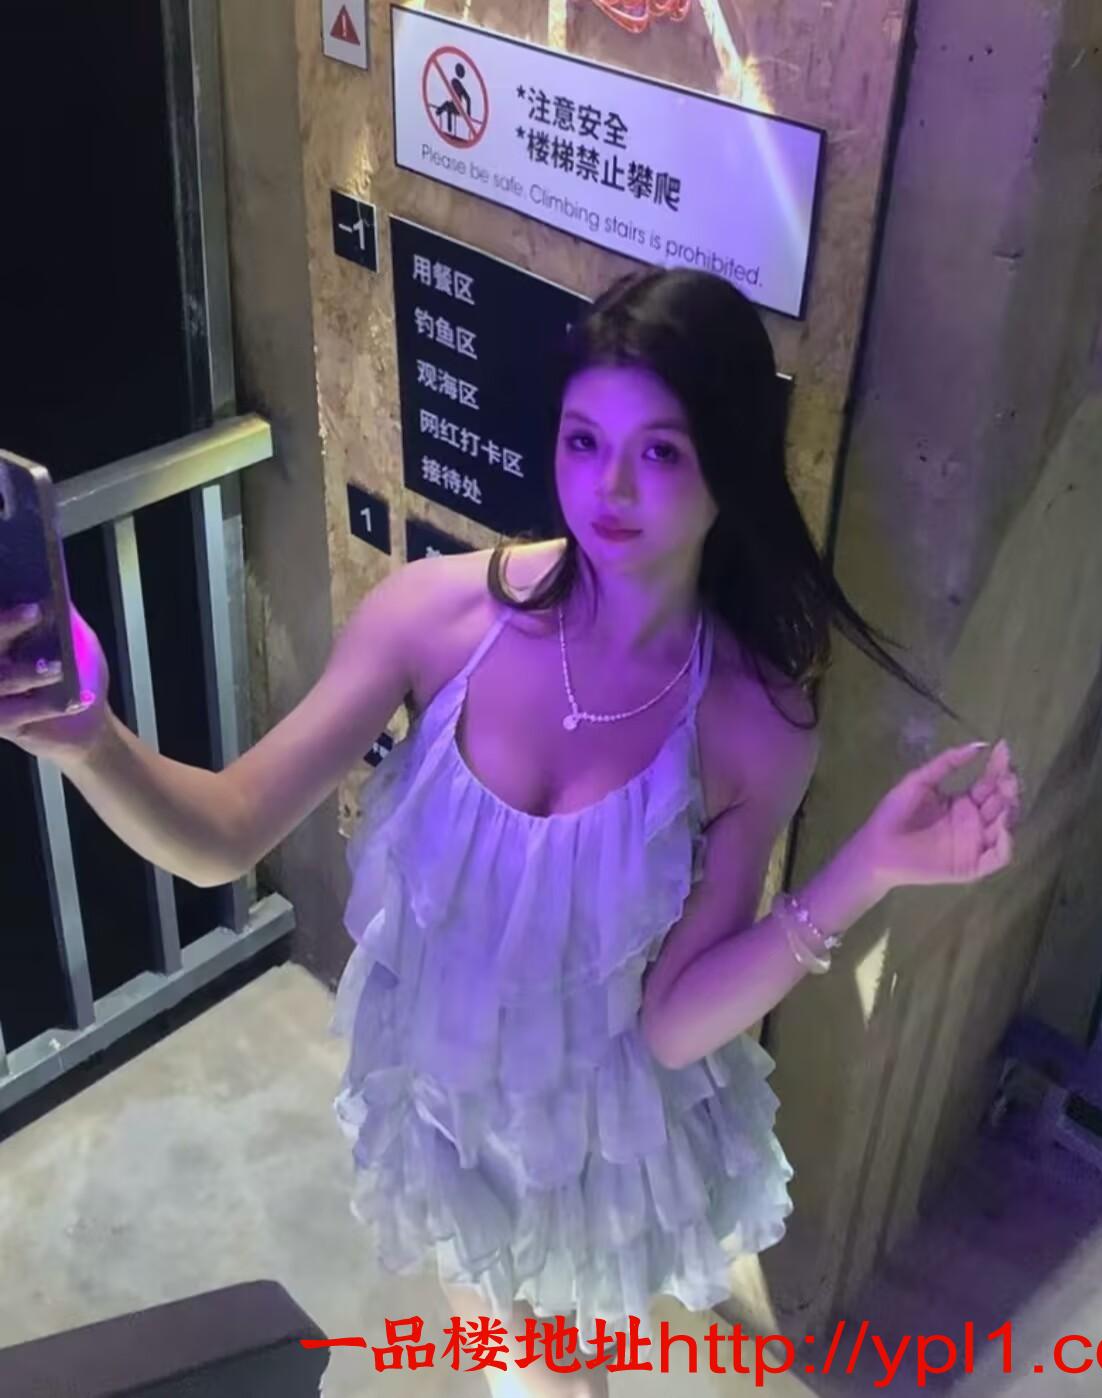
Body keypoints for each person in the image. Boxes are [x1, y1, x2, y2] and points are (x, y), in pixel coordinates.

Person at [0, 268, 1021, 1396]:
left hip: (590, 1134)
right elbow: (225, 836)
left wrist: (866, 869)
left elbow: (676, 1025)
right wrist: (88, 739)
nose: (608, 487)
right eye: (584, 441)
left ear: (728, 467)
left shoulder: (753, 721)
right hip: (446, 1097)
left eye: (661, 452)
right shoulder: (435, 616)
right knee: (500, 1334)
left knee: (556, 1376)